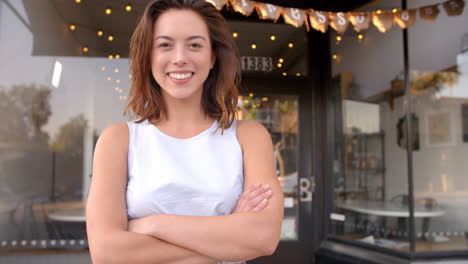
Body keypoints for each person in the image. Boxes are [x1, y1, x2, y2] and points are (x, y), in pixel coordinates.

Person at [85, 0, 284, 263]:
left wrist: (155, 224)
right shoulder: (118, 140)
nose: (180, 58)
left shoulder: (249, 136)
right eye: (165, 45)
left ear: (213, 56)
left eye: (194, 45)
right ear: (148, 55)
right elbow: (106, 251)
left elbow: (263, 237)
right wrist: (228, 231)